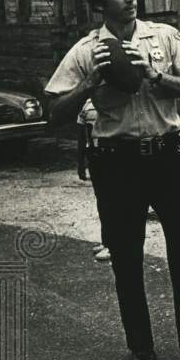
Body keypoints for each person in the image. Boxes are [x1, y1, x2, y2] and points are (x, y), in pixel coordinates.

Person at [45, 0, 180, 360]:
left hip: (165, 156)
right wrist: (89, 85)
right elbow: (54, 113)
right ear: (99, 4)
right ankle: (141, 346)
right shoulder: (85, 51)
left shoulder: (163, 36)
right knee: (127, 258)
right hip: (117, 164)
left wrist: (154, 75)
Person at [76, 98, 111, 263]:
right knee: (102, 201)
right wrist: (80, 161)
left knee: (112, 203)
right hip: (95, 156)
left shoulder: (114, 100)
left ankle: (113, 244)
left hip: (112, 156)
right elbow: (82, 135)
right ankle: (108, 241)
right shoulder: (88, 104)